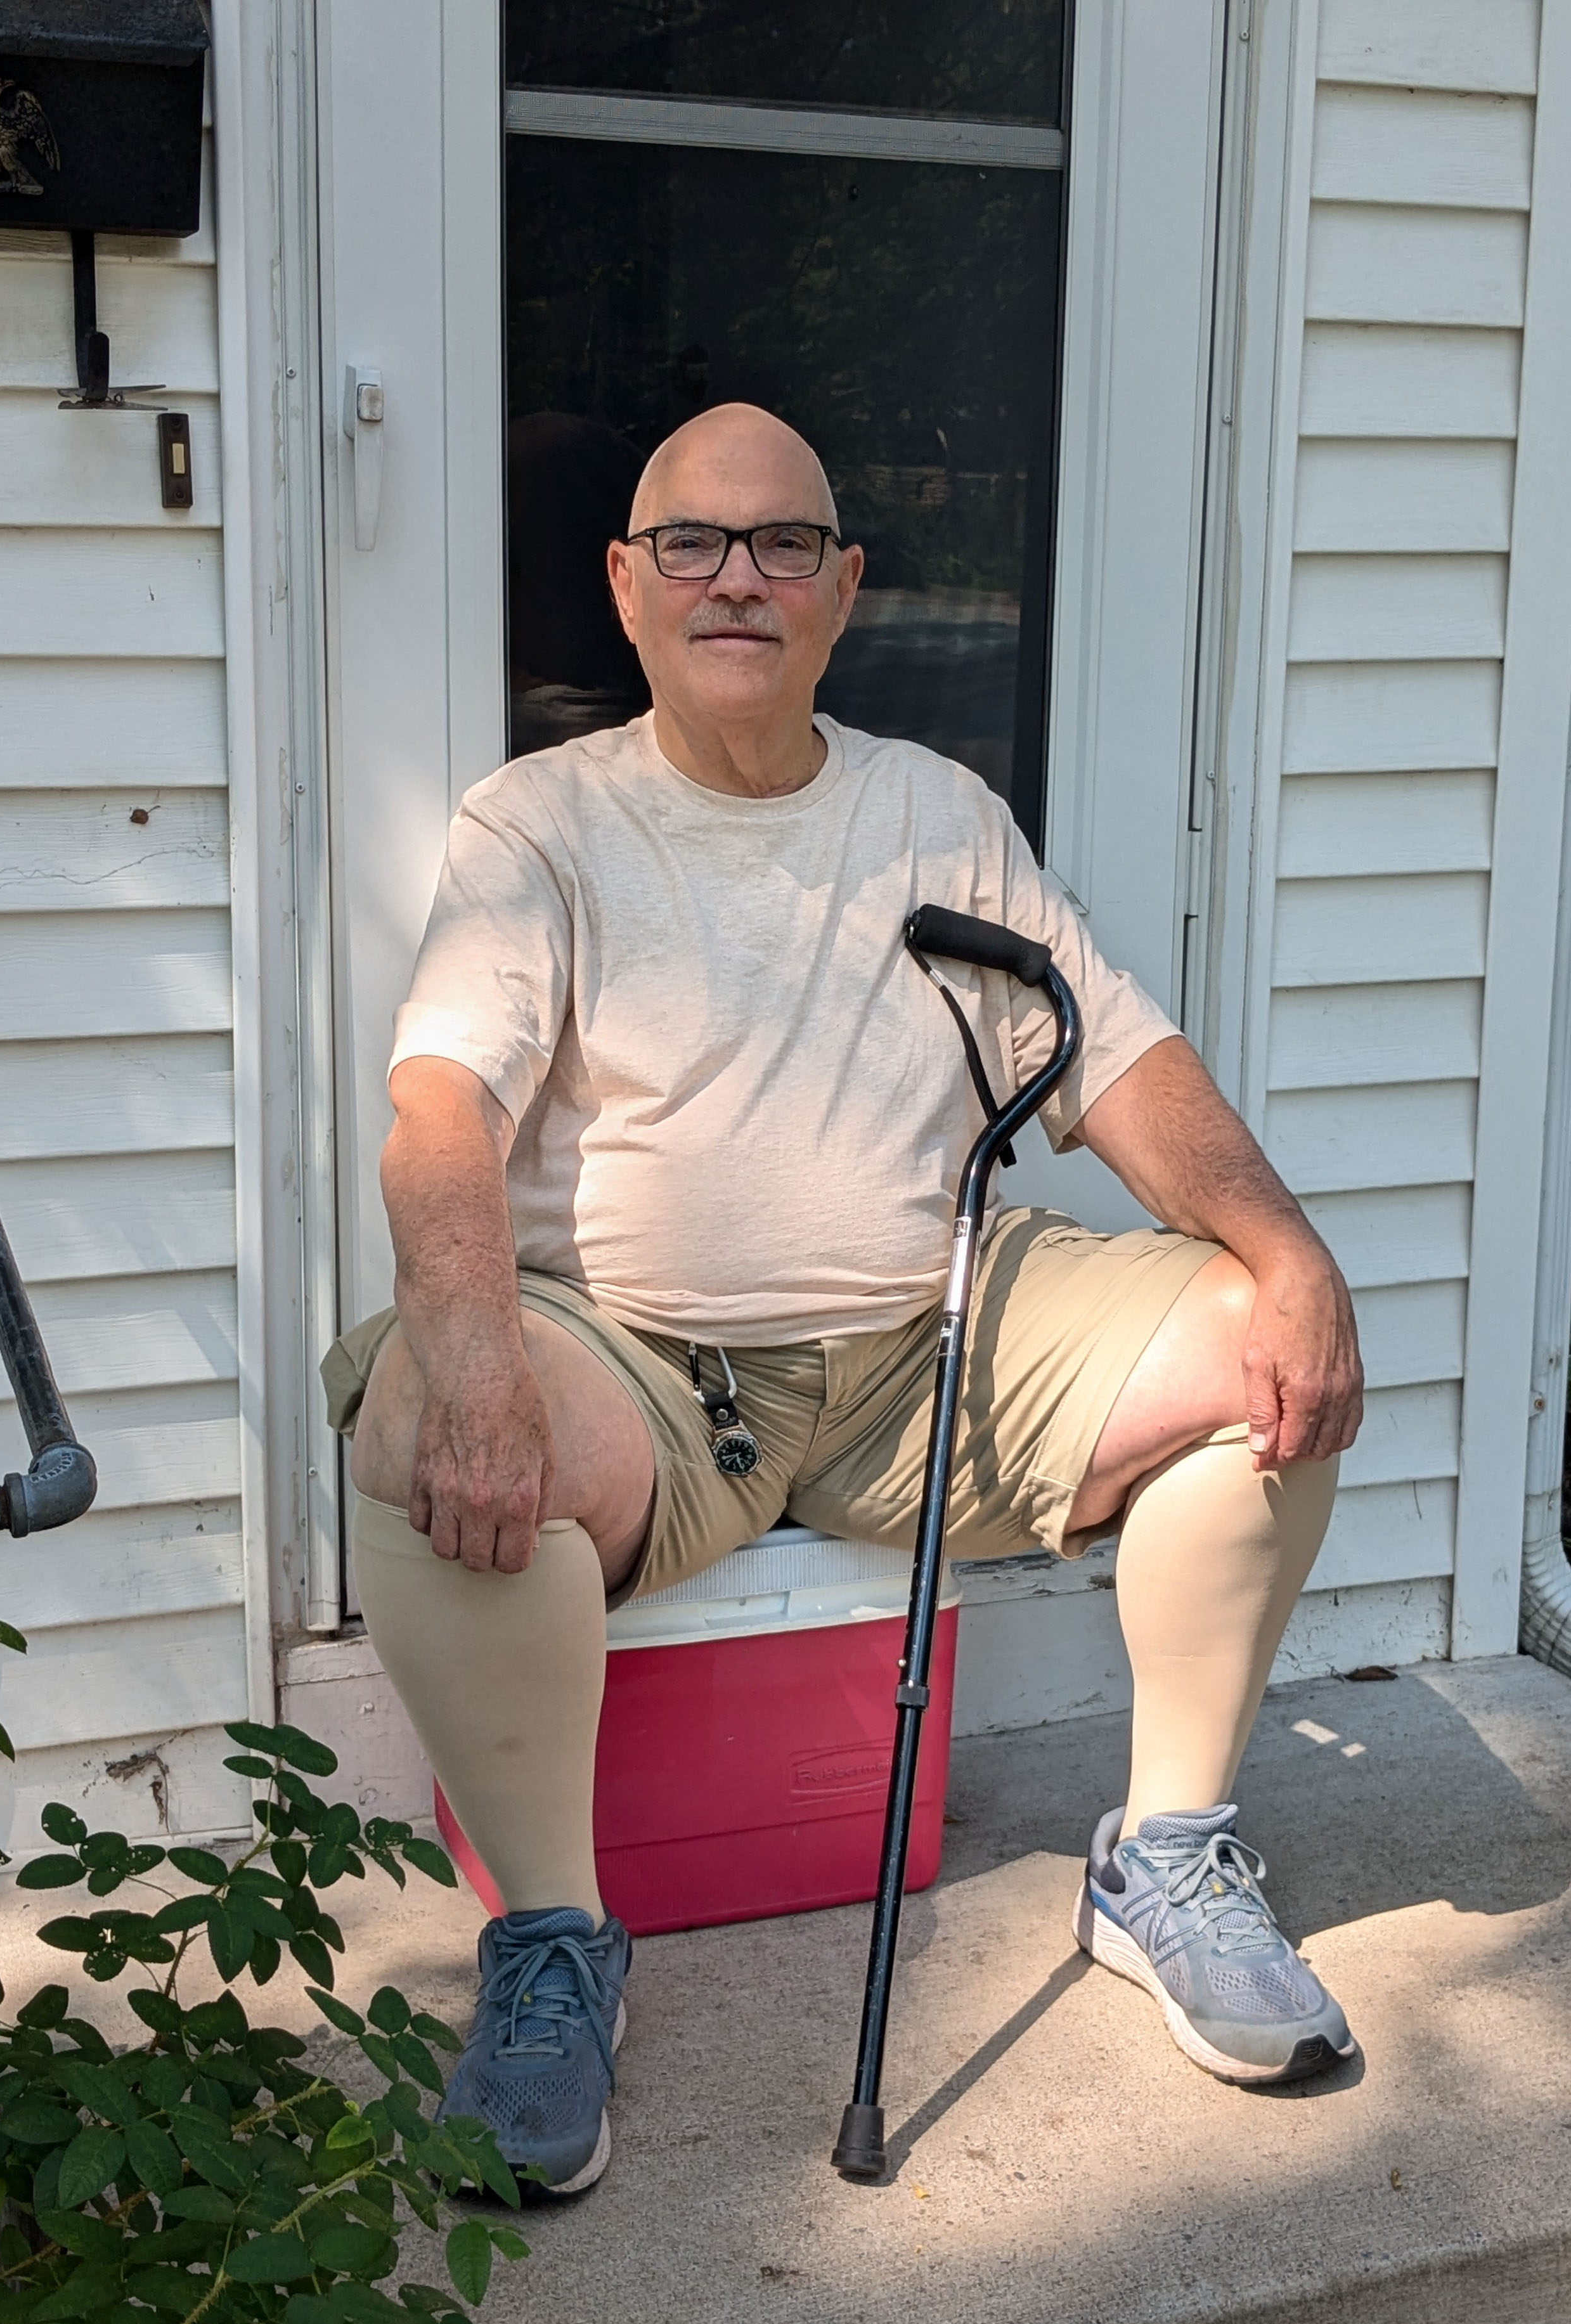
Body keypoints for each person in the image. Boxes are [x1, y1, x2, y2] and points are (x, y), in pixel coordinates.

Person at [323, 403, 1364, 2197]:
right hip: (647, 1368)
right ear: (625, 589)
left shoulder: (934, 812)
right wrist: (483, 1362)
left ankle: (1168, 1857)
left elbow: (1116, 1056)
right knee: (424, 1413)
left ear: (845, 586)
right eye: (693, 545)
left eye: (784, 542)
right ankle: (556, 1945)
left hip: (930, 1350)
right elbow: (442, 1121)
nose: (739, 577)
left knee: (1265, 1342)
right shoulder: (542, 822)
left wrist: (1291, 1254)